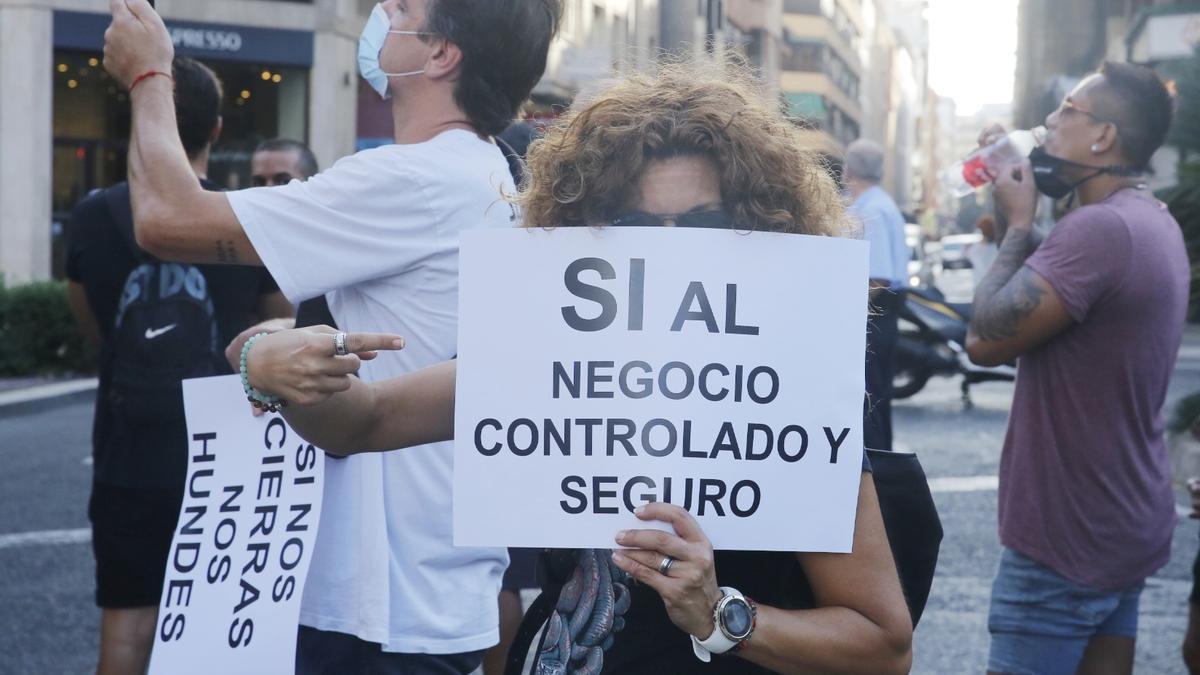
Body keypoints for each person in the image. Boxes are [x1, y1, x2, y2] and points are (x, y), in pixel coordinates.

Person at [239, 59, 914, 675]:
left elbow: (884, 645)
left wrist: (722, 615)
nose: (671, 256)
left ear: (762, 230)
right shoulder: (545, 356)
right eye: (637, 227)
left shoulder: (792, 388)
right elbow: (365, 420)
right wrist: (268, 367)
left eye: (705, 223)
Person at [101, 1, 561, 672]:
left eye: (402, 8)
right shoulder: (481, 170)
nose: (382, 13)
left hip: (380, 608)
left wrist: (148, 76)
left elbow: (166, 218)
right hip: (428, 591)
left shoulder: (417, 178)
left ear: (441, 54)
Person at [64, 56, 290, 675]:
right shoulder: (244, 221)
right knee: (225, 630)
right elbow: (273, 328)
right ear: (216, 129)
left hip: (126, 452)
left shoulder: (90, 216)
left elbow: (93, 329)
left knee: (128, 623)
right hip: (227, 458)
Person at [965, 61, 1183, 675]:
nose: (1051, 121)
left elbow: (983, 339)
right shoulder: (1149, 220)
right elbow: (1063, 290)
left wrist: (1018, 222)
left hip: (1064, 543)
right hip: (1123, 527)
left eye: (1068, 111)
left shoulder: (1099, 231)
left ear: (1103, 137)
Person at [843, 139, 908, 451]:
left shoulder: (872, 210)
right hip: (883, 310)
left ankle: (880, 480)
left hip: (876, 313)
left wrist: (848, 313)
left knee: (870, 400)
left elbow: (877, 277)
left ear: (848, 171)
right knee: (874, 399)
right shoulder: (879, 203)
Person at [966, 214, 999, 286]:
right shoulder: (999, 248)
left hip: (980, 286)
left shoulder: (975, 249)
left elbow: (968, 254)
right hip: (996, 286)